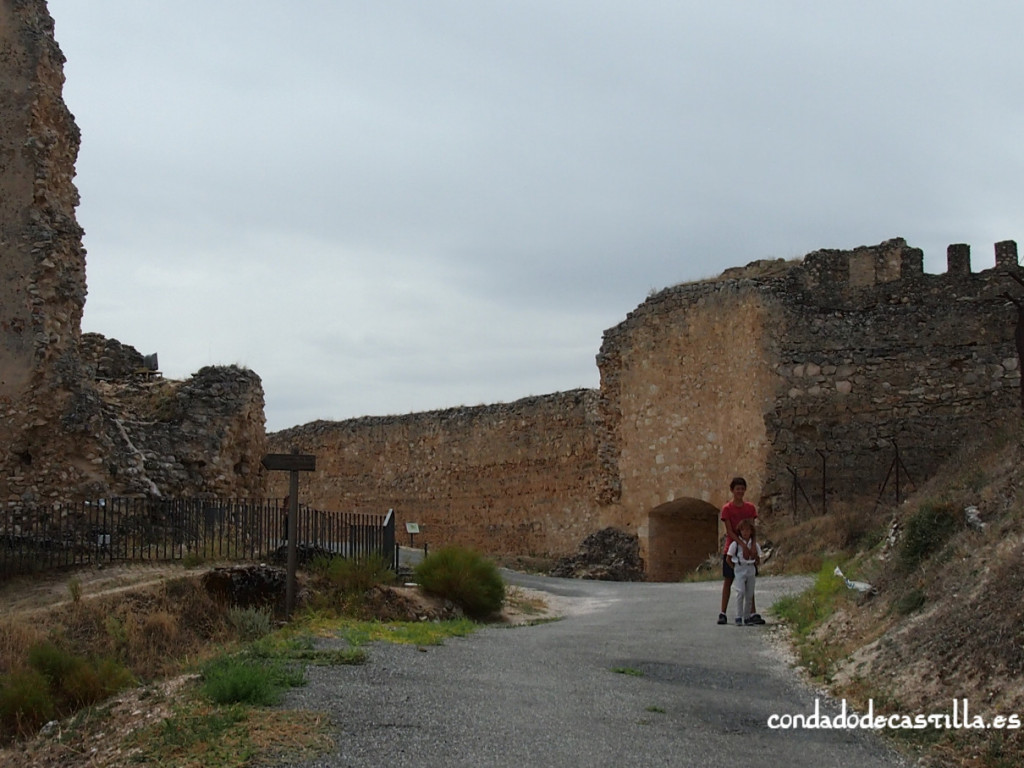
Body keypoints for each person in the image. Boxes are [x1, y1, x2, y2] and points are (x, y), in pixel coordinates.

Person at [718, 477, 764, 624]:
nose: (740, 491)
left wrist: (752, 545)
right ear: (732, 490)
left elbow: (752, 528)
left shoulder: (750, 508)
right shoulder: (727, 509)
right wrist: (742, 544)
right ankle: (723, 612)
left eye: (742, 488)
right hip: (732, 548)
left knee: (749, 581)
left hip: (747, 549)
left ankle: (752, 612)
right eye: (737, 488)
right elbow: (730, 531)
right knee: (729, 580)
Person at [727, 517, 763, 625]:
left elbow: (758, 558)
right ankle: (738, 616)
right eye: (743, 530)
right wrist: (735, 568)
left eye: (748, 530)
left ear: (751, 531)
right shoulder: (736, 544)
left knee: (749, 593)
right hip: (740, 567)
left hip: (750, 568)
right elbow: (728, 558)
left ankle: (747, 617)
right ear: (740, 531)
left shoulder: (754, 545)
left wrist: (756, 559)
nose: (745, 533)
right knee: (740, 592)